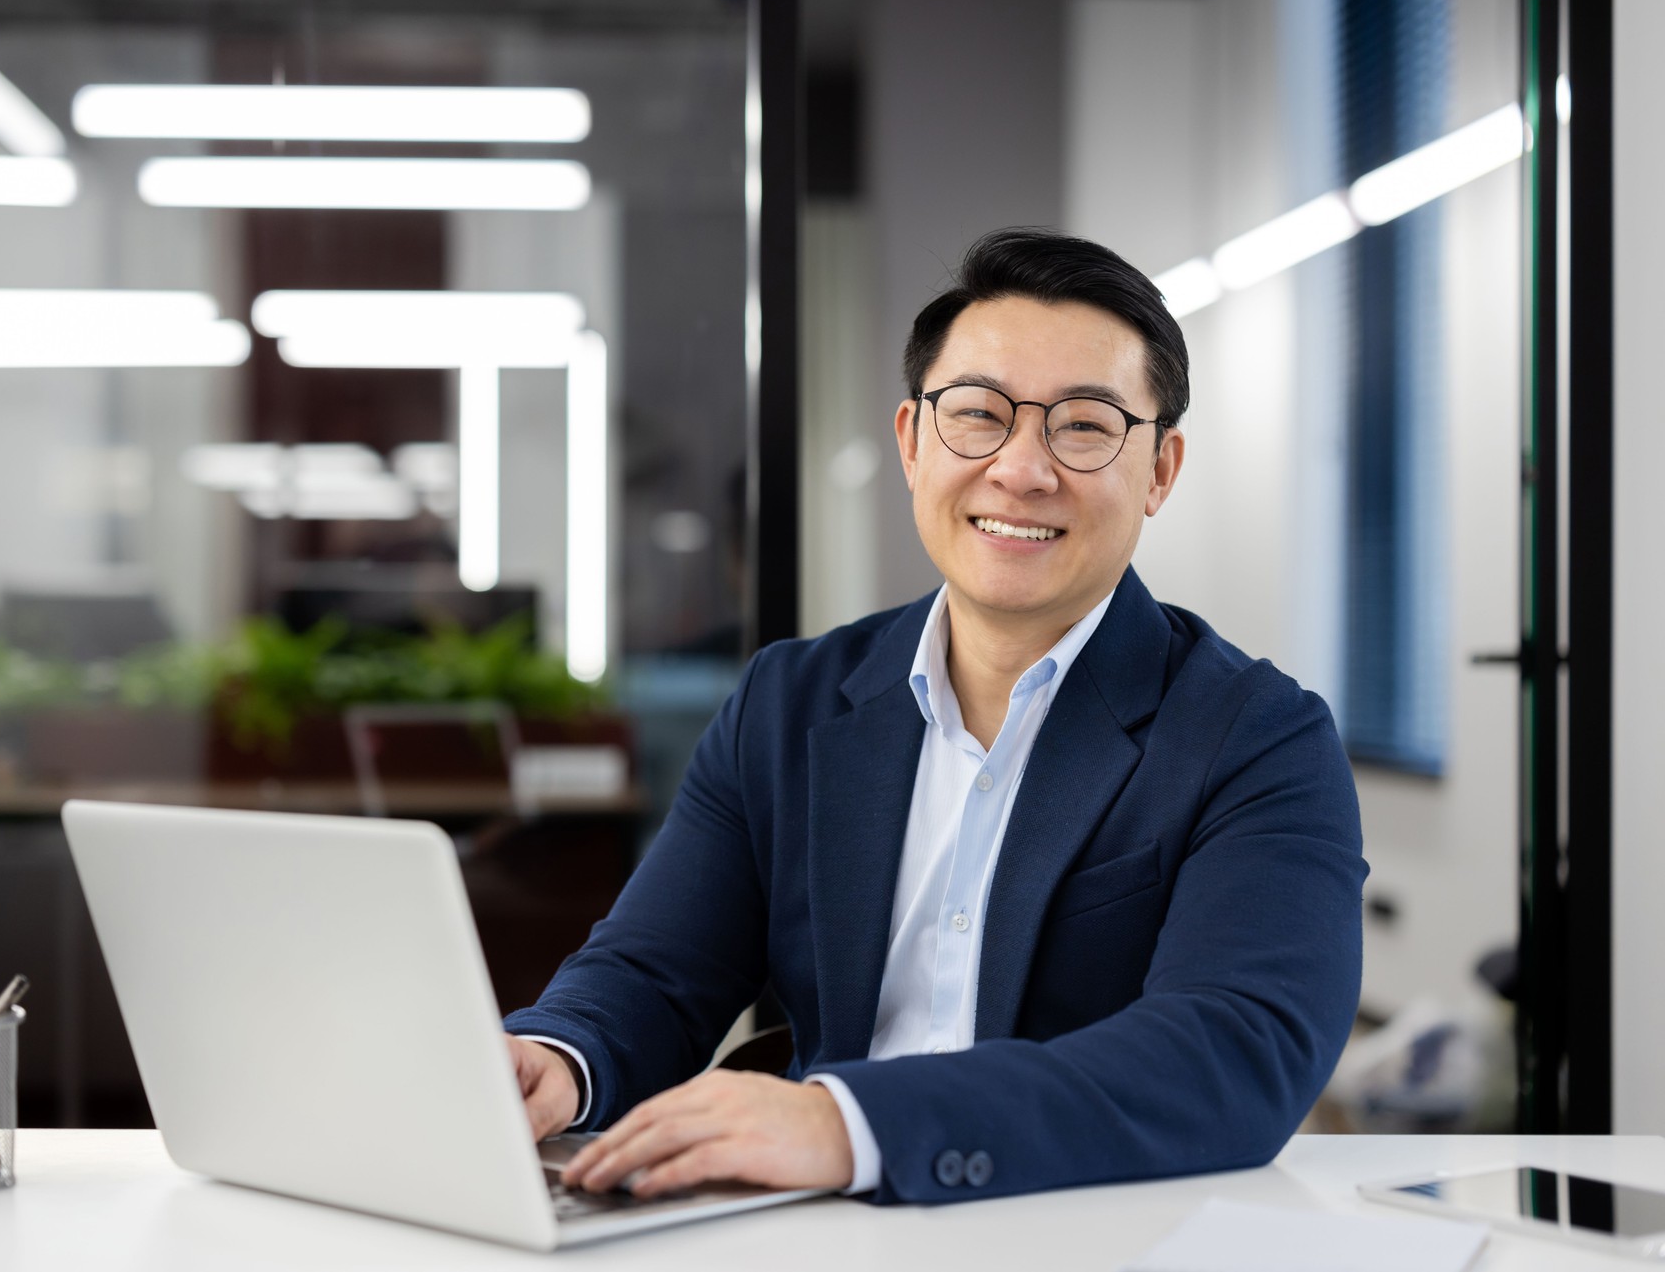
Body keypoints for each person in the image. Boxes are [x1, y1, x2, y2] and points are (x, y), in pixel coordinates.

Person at [502, 227, 1366, 1204]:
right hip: (817, 1236)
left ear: (1160, 470)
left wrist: (851, 1122)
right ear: (914, 442)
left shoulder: (1256, 738)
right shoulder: (789, 704)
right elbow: (657, 970)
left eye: (1083, 426)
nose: (1021, 468)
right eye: (979, 416)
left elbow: (1233, 1052)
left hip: (1087, 1236)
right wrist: (554, 1058)